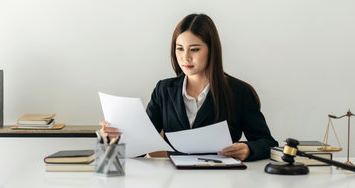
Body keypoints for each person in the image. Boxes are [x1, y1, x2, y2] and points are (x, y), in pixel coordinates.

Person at [99, 13, 278, 161]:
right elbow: (141, 146)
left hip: (221, 178)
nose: (185, 58)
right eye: (179, 49)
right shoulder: (163, 90)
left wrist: (248, 149)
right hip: (174, 179)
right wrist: (112, 139)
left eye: (194, 49)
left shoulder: (238, 92)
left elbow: (268, 143)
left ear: (211, 50)